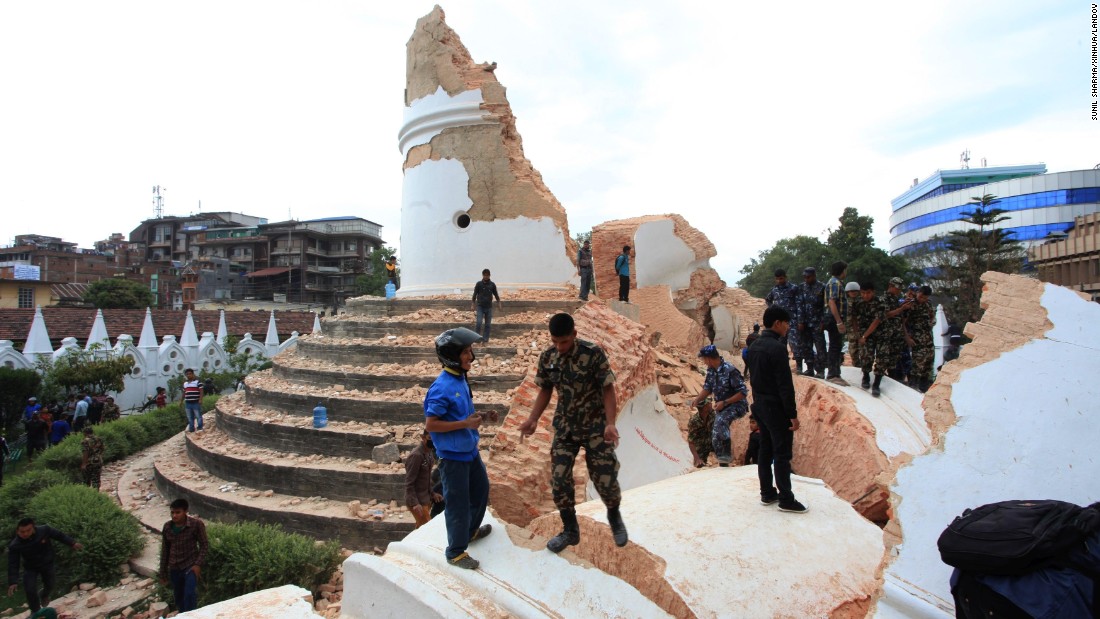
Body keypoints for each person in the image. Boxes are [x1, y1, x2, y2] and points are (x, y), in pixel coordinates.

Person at [518, 313, 628, 552]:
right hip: (565, 427)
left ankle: (614, 516)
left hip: (596, 427)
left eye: (564, 342)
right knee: (558, 479)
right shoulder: (548, 357)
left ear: (574, 335)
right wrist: (533, 419)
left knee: (605, 478)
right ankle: (570, 530)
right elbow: (545, 390)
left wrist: (610, 423)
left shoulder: (593, 353)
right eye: (555, 342)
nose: (560, 347)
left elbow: (608, 389)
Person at [424, 327, 495, 570]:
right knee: (457, 503)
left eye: (470, 350)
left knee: (481, 490)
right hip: (453, 457)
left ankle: (469, 532)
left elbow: (461, 413)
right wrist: (465, 423)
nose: (471, 355)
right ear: (452, 355)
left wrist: (482, 416)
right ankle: (455, 551)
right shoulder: (442, 387)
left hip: (469, 450)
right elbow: (431, 424)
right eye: (466, 351)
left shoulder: (460, 378)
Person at [746, 306, 806, 513]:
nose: (788, 327)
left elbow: (754, 379)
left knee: (765, 449)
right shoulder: (777, 348)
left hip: (759, 405)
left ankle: (767, 492)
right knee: (781, 454)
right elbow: (784, 386)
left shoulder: (753, 346)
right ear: (778, 323)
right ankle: (786, 499)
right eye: (786, 323)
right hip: (775, 408)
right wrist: (792, 415)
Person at [7, 518, 84, 614]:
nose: (25, 534)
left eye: (28, 530)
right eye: (22, 532)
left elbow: (59, 536)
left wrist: (72, 543)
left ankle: (44, 595)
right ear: (17, 531)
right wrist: (13, 581)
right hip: (31, 568)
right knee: (29, 589)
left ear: (33, 528)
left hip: (47, 563)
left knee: (50, 584)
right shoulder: (15, 545)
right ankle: (36, 611)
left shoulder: (44, 530)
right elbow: (13, 563)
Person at [690, 345, 749, 467]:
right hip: (722, 407)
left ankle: (726, 454)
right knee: (716, 433)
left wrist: (725, 402)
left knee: (720, 422)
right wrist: (697, 399)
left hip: (736, 405)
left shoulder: (730, 371)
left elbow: (742, 393)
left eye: (704, 360)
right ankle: (722, 461)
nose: (704, 362)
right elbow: (707, 388)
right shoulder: (711, 371)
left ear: (709, 359)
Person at [159, 498, 208, 613]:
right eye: (172, 512)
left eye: (178, 512)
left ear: (185, 511)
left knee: (190, 595)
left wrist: (197, 564)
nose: (174, 516)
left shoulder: (196, 525)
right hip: (174, 568)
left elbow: (204, 545)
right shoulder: (167, 527)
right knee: (179, 597)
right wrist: (163, 572)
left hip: (189, 567)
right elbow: (165, 550)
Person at [870, 277, 914, 397]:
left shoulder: (896, 300)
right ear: (890, 286)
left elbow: (901, 320)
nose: (898, 290)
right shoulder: (883, 299)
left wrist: (904, 309)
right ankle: (876, 385)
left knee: (893, 361)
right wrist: (901, 309)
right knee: (882, 359)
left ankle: (892, 386)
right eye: (897, 287)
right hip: (885, 334)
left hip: (896, 335)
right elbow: (883, 315)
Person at [765, 268, 802, 370]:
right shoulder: (774, 290)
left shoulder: (793, 288)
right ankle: (783, 366)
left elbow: (799, 304)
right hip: (780, 323)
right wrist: (773, 309)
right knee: (781, 344)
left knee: (795, 342)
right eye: (777, 279)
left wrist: (800, 319)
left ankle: (799, 366)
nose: (779, 281)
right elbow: (768, 300)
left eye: (781, 278)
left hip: (792, 320)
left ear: (785, 277)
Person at [404, 429, 442, 529]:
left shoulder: (429, 453)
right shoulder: (416, 455)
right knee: (427, 529)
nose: (433, 441)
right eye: (430, 438)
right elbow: (409, 482)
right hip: (418, 501)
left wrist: (433, 494)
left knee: (420, 528)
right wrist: (415, 503)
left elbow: (426, 478)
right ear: (423, 438)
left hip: (425, 499)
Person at [852, 281, 886, 393]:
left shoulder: (880, 302)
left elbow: (876, 321)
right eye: (863, 293)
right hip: (864, 333)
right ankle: (865, 376)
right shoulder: (858, 302)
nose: (865, 295)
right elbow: (854, 319)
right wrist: (858, 334)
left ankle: (877, 383)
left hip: (880, 333)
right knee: (866, 356)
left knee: (882, 358)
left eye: (868, 293)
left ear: (873, 292)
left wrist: (864, 336)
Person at [905, 285, 937, 392]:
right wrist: (908, 337)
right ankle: (913, 385)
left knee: (928, 362)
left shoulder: (928, 304)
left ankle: (924, 387)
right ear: (918, 292)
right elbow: (903, 322)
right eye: (921, 296)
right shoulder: (911, 304)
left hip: (928, 337)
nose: (922, 299)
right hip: (916, 338)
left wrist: (932, 322)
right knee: (917, 363)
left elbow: (932, 316)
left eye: (925, 297)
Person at [822, 261, 849, 384]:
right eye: (845, 270)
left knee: (837, 346)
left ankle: (836, 373)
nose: (846, 272)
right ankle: (833, 375)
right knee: (835, 346)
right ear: (842, 270)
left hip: (834, 318)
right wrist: (839, 321)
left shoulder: (834, 282)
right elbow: (832, 302)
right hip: (834, 318)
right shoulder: (835, 283)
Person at [798, 267, 827, 378]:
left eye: (808, 277)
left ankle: (820, 370)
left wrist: (823, 321)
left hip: (817, 322)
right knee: (806, 346)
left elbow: (826, 306)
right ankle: (809, 368)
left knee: (820, 347)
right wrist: (800, 321)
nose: (806, 279)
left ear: (814, 276)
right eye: (804, 277)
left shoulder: (822, 287)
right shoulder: (802, 287)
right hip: (805, 323)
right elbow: (800, 304)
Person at [471, 269, 502, 345]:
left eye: (487, 275)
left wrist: (499, 302)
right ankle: (477, 339)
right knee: (479, 322)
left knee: (488, 325)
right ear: (482, 275)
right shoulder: (479, 284)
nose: (486, 277)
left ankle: (485, 340)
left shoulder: (492, 285)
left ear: (489, 275)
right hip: (480, 306)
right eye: (484, 275)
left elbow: (496, 294)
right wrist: (473, 303)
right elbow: (475, 294)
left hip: (489, 307)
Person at [687, 399, 715, 468]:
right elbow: (691, 442)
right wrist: (697, 458)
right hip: (701, 446)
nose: (711, 404)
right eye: (709, 403)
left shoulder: (712, 414)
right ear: (704, 407)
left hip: (712, 442)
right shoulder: (694, 421)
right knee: (699, 466)